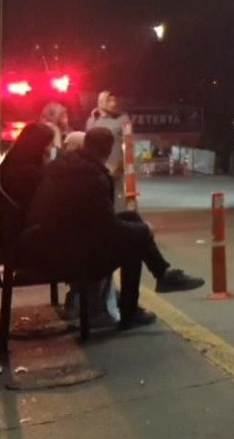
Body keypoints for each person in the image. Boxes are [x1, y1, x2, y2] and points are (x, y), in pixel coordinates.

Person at [20, 127, 205, 329]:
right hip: (69, 255)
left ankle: (163, 273)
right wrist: (145, 230)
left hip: (54, 241)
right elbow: (108, 228)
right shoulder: (92, 177)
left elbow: (97, 221)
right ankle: (131, 310)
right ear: (108, 151)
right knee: (133, 241)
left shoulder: (64, 166)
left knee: (132, 218)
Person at [0, 123, 57, 264]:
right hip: (24, 238)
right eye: (50, 144)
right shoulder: (32, 175)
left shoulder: (8, 165)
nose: (52, 148)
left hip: (5, 234)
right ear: (40, 147)